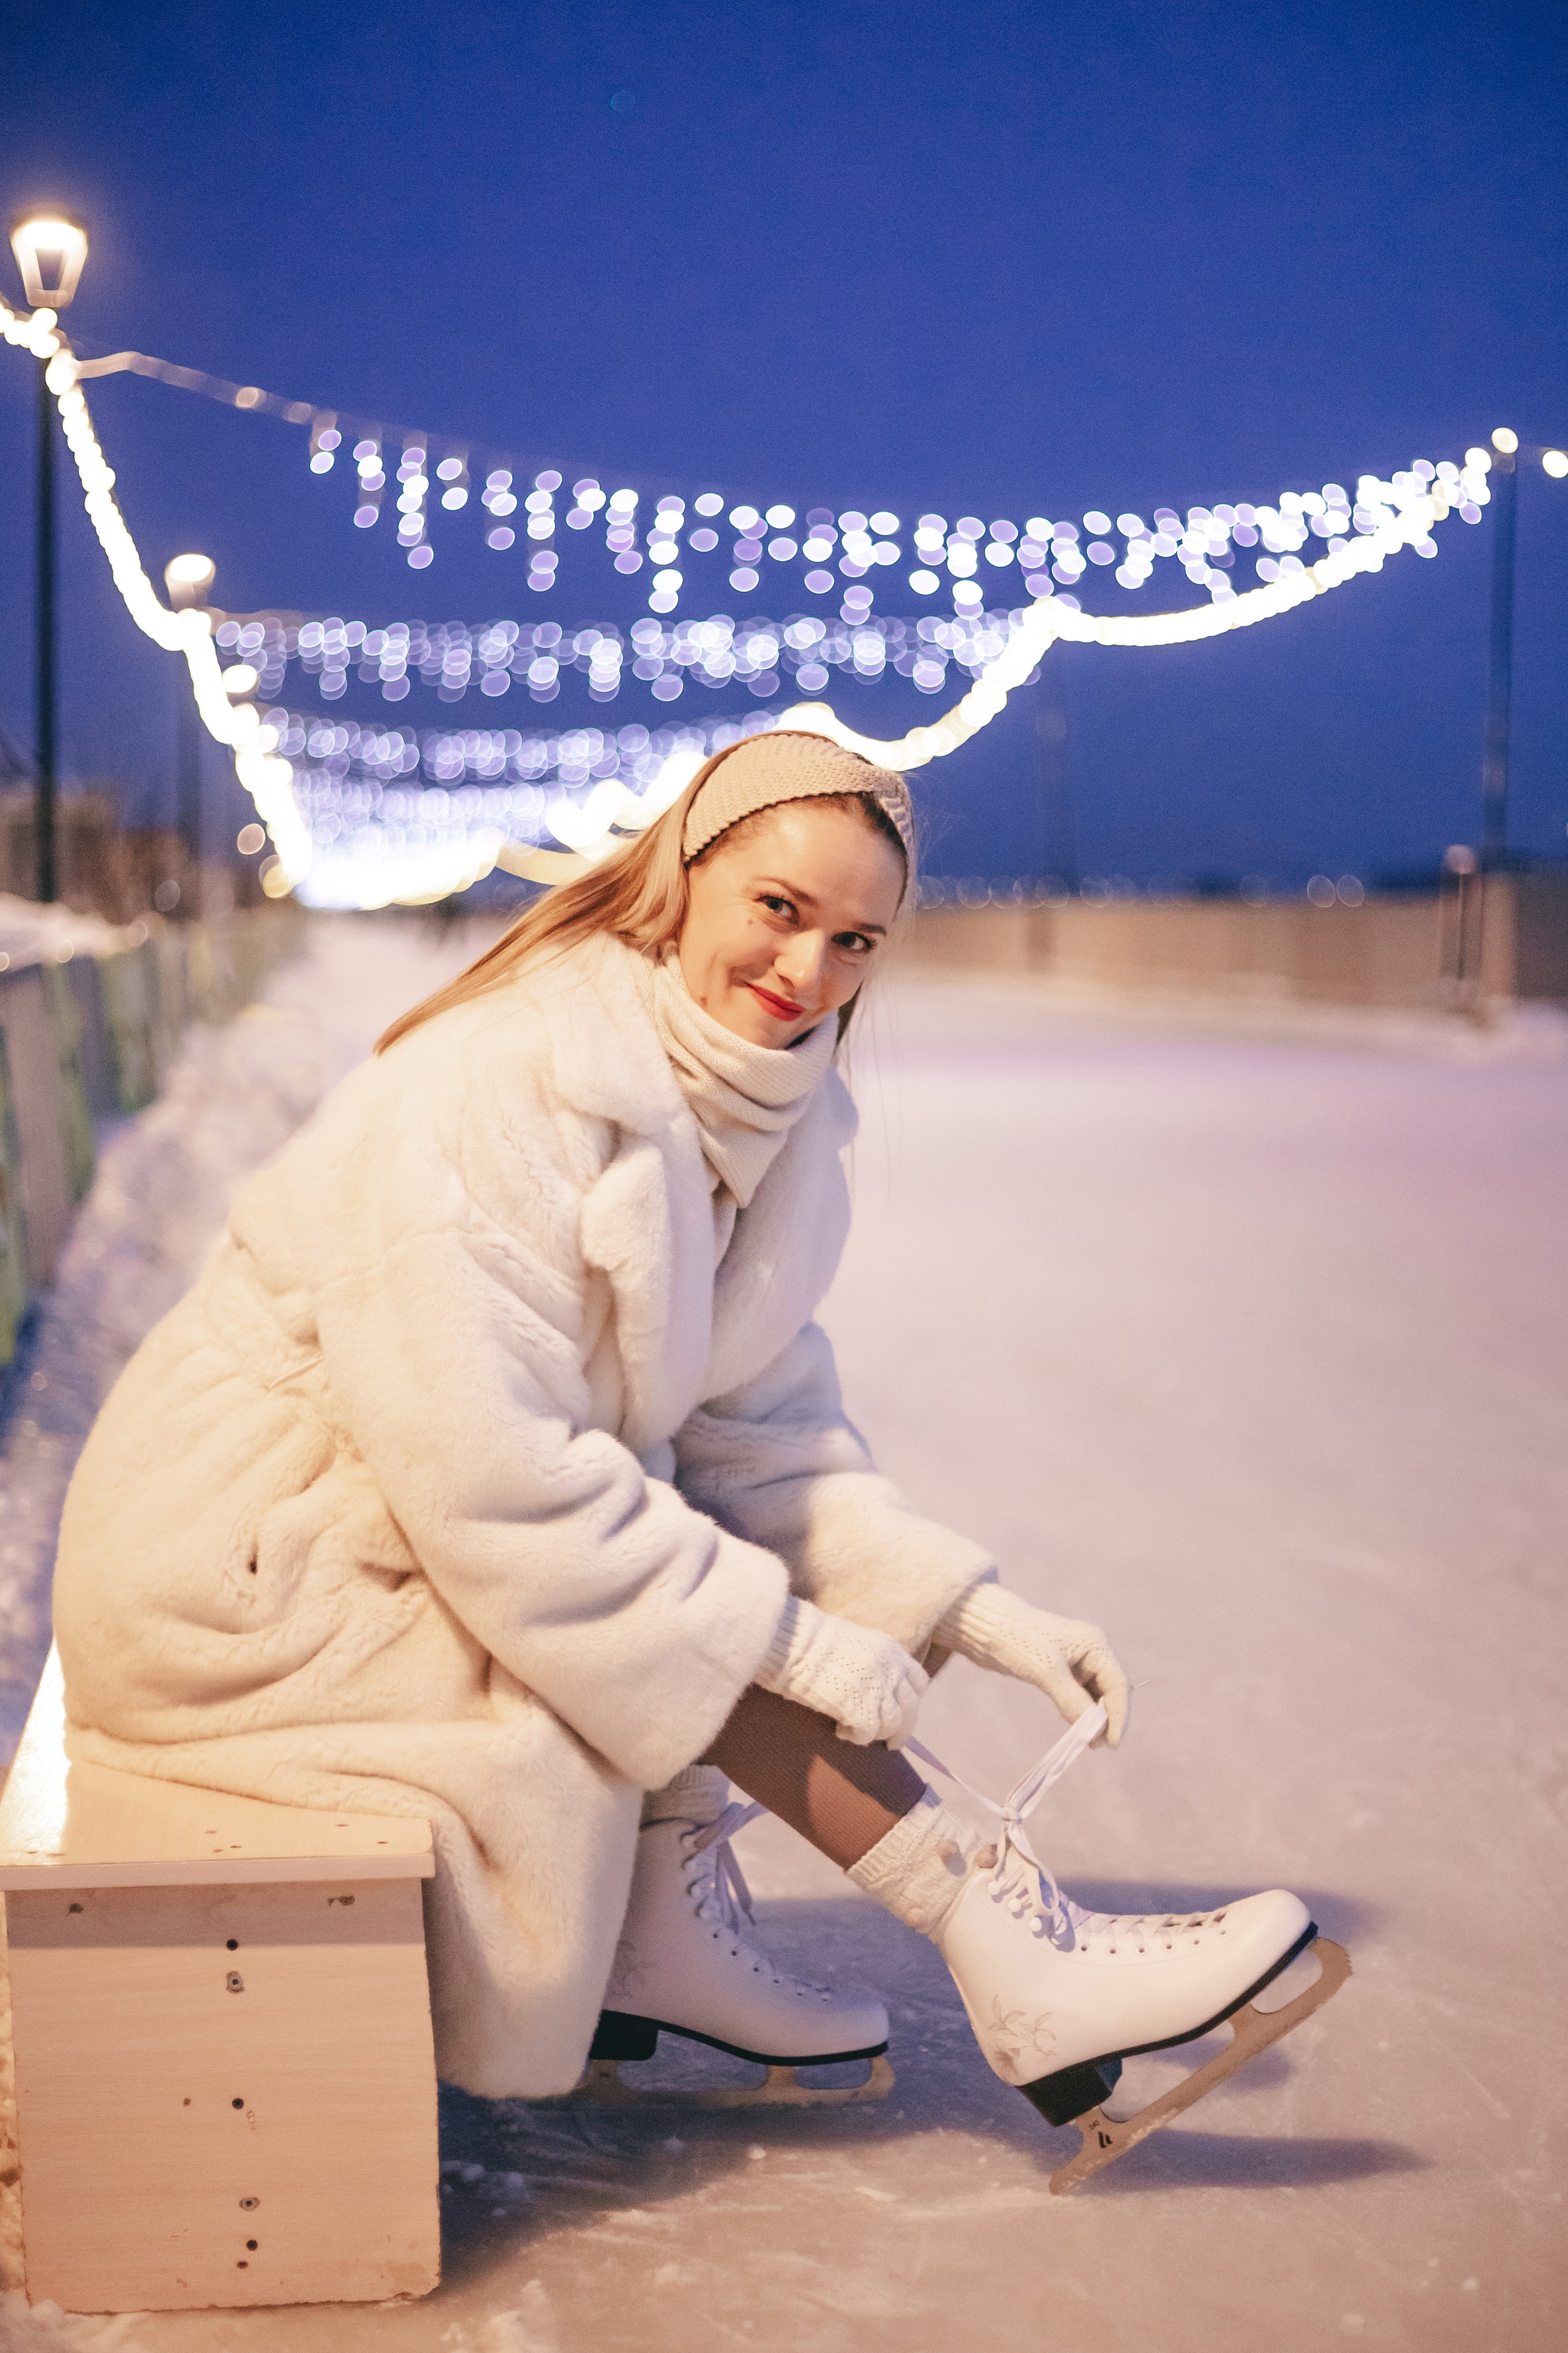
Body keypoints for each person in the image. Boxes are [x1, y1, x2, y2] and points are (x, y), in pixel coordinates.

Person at [52, 731, 1326, 2149]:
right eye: (778, 908)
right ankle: (1008, 1943)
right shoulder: (502, 1084)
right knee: (646, 1588)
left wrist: (971, 1608)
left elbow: (760, 1442)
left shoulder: (763, 1124)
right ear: (682, 877)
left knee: (670, 1538)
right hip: (245, 1566)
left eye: (854, 940)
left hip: (395, 1514)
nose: (806, 970)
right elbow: (488, 1472)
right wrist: (789, 1648)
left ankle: (658, 1934)